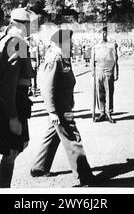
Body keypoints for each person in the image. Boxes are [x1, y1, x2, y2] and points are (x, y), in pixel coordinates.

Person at [30, 29, 95, 187]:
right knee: (73, 137)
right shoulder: (56, 58)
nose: (71, 43)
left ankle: (39, 168)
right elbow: (47, 87)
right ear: (61, 43)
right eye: (69, 41)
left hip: (63, 104)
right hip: (59, 108)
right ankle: (84, 175)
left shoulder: (63, 57)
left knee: (52, 135)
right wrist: (52, 111)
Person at [0, 7, 35, 188]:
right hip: (14, 99)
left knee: (22, 144)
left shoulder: (13, 40)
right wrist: (12, 116)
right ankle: (2, 187)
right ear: (21, 24)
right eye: (30, 24)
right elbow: (10, 81)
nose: (32, 27)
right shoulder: (16, 43)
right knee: (12, 150)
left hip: (16, 98)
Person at [91, 26, 119, 123]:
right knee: (100, 93)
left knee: (109, 93)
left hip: (108, 71)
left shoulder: (112, 45)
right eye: (101, 33)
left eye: (105, 33)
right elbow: (92, 61)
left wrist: (116, 72)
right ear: (98, 35)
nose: (103, 34)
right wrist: (92, 73)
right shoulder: (95, 46)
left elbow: (115, 59)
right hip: (98, 71)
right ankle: (102, 112)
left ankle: (108, 112)